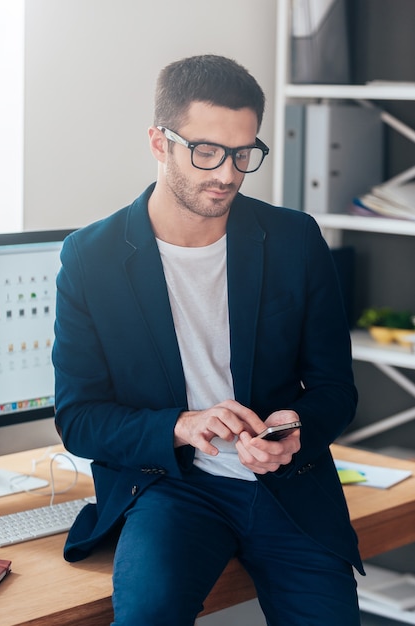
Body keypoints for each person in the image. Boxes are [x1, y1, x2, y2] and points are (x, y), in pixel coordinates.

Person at [52, 54, 364, 626]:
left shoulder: (295, 239)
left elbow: (335, 388)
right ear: (158, 142)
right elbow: (80, 418)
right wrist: (183, 425)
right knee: (147, 615)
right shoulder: (89, 259)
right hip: (171, 487)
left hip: (287, 485)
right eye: (206, 151)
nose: (227, 173)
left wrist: (294, 428)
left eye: (244, 153)